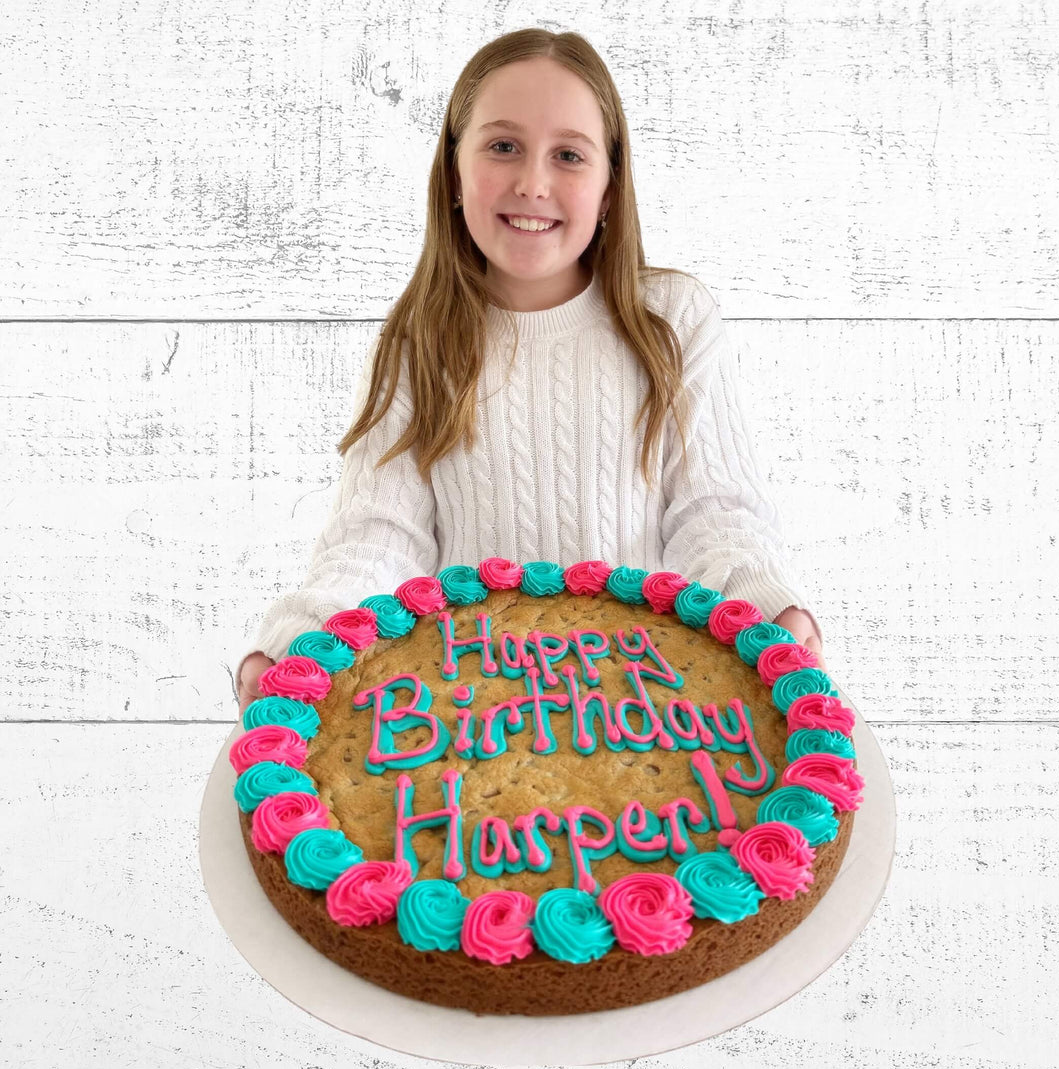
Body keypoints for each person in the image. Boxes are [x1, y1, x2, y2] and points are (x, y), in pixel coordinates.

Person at [235, 29, 826, 719]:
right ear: (454, 172)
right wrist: (306, 641)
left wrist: (764, 604)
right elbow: (378, 537)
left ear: (610, 187)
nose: (532, 183)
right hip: (471, 723)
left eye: (569, 155)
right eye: (503, 146)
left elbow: (713, 514)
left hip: (650, 712)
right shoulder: (420, 339)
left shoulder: (672, 320)